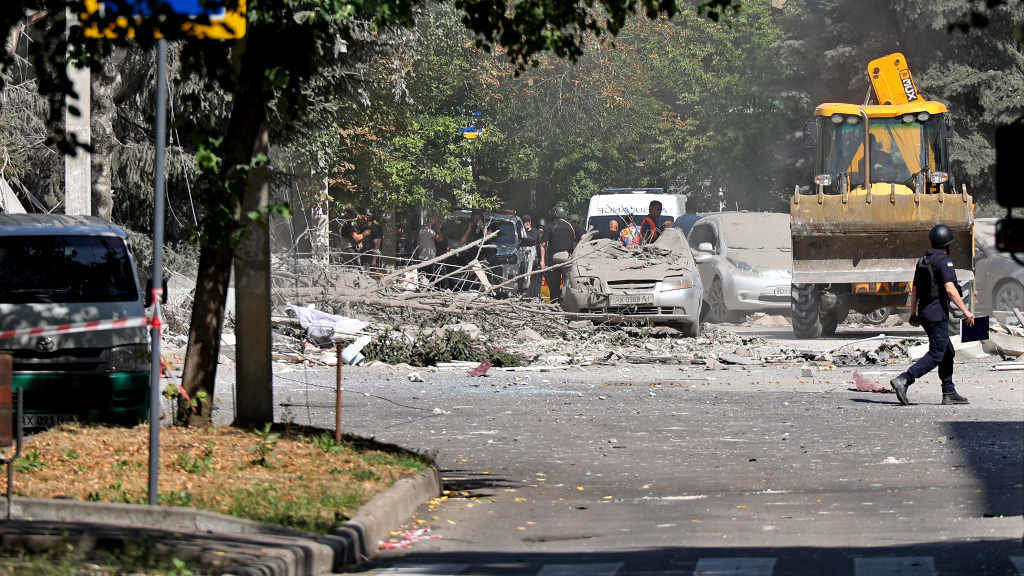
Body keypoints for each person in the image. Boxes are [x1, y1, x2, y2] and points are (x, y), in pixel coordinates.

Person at [890, 224, 974, 406]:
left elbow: (915, 290)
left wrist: (913, 313)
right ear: (947, 243)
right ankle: (904, 379)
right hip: (937, 314)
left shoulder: (923, 261)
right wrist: (966, 311)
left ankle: (949, 392)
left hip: (926, 314)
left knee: (947, 352)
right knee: (937, 353)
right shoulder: (944, 261)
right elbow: (950, 289)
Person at [540, 205, 576, 304]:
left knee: (554, 285)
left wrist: (542, 261)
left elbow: (543, 245)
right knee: (567, 283)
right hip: (568, 259)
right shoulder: (571, 226)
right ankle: (565, 303)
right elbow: (582, 237)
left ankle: (554, 303)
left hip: (553, 260)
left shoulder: (549, 226)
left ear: (554, 213)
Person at [520, 215, 540, 294]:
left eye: (528, 221)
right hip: (521, 253)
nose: (527, 223)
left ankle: (526, 284)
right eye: (525, 222)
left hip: (532, 254)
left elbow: (539, 245)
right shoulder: (521, 232)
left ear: (530, 222)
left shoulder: (536, 232)